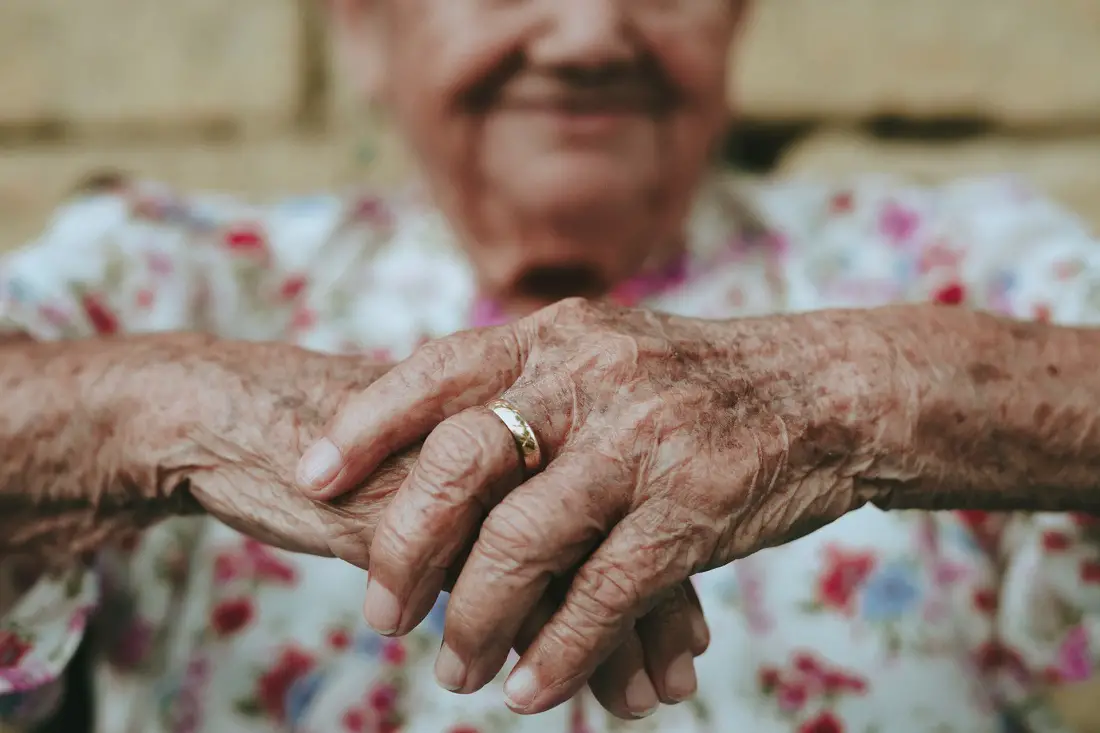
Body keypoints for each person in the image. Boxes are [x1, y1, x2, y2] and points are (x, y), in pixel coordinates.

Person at [0, 0, 1098, 731]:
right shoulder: (174, 276)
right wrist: (176, 406)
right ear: (364, 29)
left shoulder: (957, 268)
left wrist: (847, 393)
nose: (583, 34)